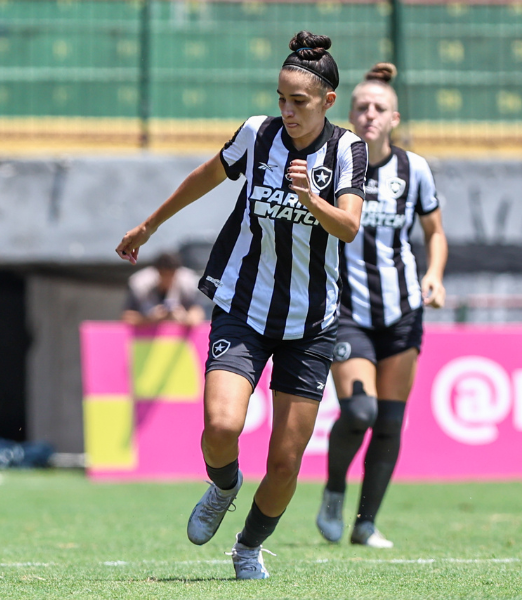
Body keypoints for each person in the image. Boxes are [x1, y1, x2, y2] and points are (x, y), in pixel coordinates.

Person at [116, 32, 367, 579]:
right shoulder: (257, 135)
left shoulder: (346, 150)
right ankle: (224, 485)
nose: (287, 110)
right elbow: (206, 175)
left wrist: (310, 198)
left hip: (312, 323)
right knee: (221, 424)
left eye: (299, 102)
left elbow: (348, 227)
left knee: (284, 462)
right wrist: (150, 224)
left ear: (327, 102)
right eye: (281, 98)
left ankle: (249, 546)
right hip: (243, 306)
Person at [315, 63, 447, 549]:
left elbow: (434, 234)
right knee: (360, 411)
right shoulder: (333, 165)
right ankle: (332, 493)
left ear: (394, 118)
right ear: (348, 115)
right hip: (346, 311)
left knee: (390, 419)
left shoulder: (415, 170)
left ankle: (365, 524)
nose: (369, 115)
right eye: (361, 108)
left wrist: (433, 275)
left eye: (379, 109)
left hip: (403, 311)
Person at [122, 251, 204, 327]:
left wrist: (183, 317)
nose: (167, 279)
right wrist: (149, 318)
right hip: (147, 339)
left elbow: (198, 314)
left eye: (171, 275)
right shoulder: (140, 283)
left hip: (178, 339)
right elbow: (127, 316)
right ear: (156, 272)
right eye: (163, 275)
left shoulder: (187, 282)